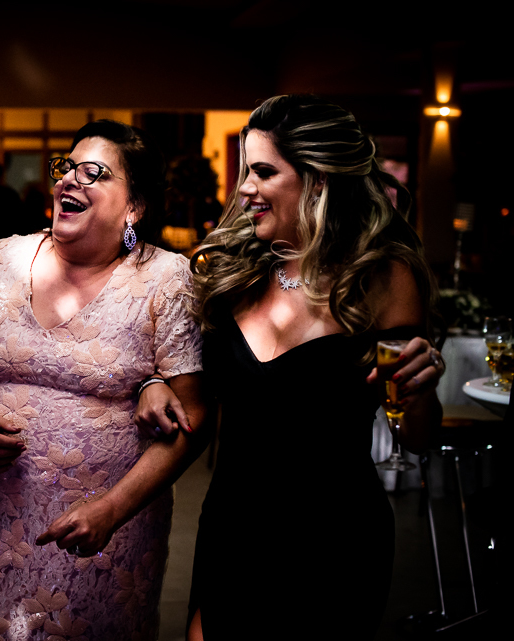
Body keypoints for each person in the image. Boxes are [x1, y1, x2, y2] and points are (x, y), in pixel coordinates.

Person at [137, 95, 445, 640]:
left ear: (319, 180)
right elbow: (187, 379)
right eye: (244, 171)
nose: (244, 190)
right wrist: (155, 381)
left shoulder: (384, 277)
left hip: (336, 541)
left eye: (262, 172)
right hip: (233, 530)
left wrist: (420, 393)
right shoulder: (230, 272)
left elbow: (416, 438)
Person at [0, 120, 212, 640]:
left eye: (93, 173)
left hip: (107, 541)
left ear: (134, 208)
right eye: (67, 167)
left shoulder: (165, 279)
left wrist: (112, 510)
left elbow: (193, 419)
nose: (70, 180)